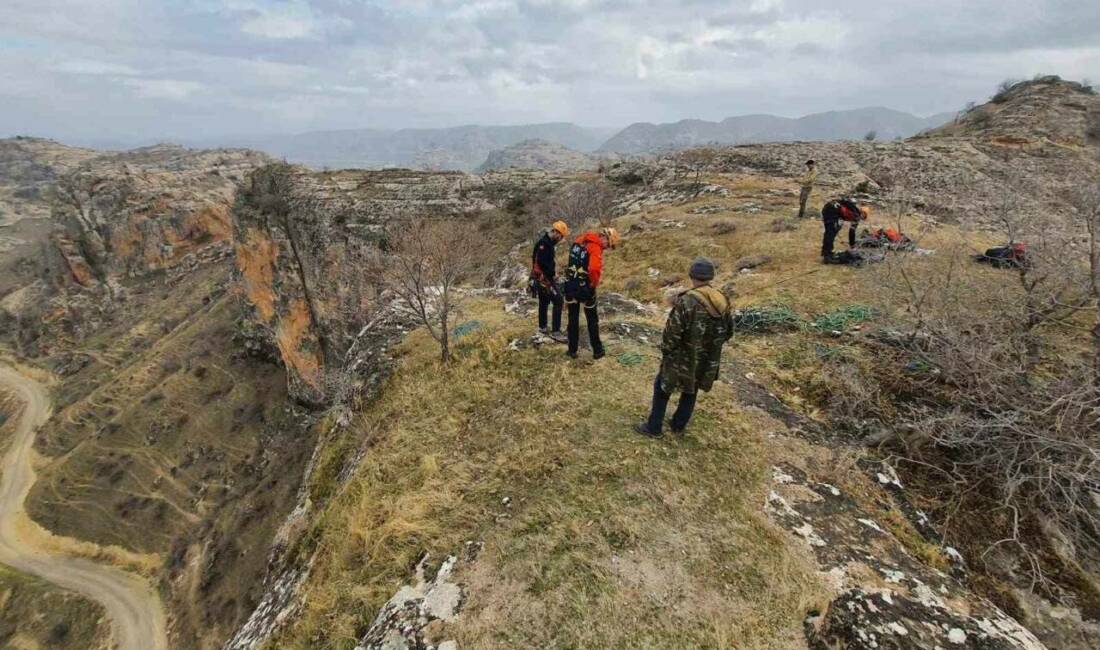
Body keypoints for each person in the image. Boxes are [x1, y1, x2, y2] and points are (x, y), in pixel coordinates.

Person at [635, 258, 733, 438]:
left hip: (681, 358)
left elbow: (672, 334)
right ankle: (678, 425)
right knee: (691, 389)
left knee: (662, 387)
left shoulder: (687, 301)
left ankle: (654, 427)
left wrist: (666, 350)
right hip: (705, 359)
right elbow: (728, 332)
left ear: (692, 276)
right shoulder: (722, 299)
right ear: (710, 276)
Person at [563, 226, 621, 359]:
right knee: (592, 319)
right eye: (609, 244)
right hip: (585, 287)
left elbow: (572, 260)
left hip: (571, 284)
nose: (606, 248)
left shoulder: (580, 240)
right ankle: (597, 350)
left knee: (573, 318)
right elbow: (594, 269)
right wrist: (593, 284)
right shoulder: (595, 247)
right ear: (604, 237)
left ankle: (572, 350)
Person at [530, 220, 569, 338]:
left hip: (539, 277)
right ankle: (555, 331)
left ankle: (542, 327)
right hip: (544, 278)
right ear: (556, 233)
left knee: (544, 301)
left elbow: (538, 260)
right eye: (561, 236)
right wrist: (552, 274)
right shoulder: (545, 244)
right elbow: (542, 262)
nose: (560, 239)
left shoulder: (545, 243)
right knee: (558, 301)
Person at [821, 198, 868, 262]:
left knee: (831, 230)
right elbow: (852, 232)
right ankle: (827, 255)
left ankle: (826, 251)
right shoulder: (856, 215)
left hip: (828, 207)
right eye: (864, 216)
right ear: (863, 213)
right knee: (831, 232)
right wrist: (852, 246)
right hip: (833, 210)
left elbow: (843, 203)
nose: (862, 219)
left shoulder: (853, 208)